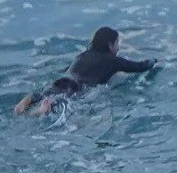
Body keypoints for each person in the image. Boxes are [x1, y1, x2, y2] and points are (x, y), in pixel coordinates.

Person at [14, 27, 157, 115]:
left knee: (45, 94)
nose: (118, 47)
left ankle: (28, 100)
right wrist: (154, 61)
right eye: (117, 43)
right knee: (57, 104)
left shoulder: (82, 56)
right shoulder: (114, 61)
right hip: (77, 89)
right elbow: (139, 67)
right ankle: (42, 110)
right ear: (110, 45)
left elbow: (66, 69)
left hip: (61, 82)